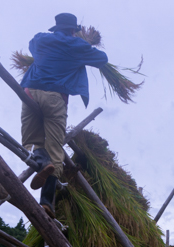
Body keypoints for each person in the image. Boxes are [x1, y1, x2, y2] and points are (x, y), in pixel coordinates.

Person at [19, 13, 108, 217]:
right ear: (72, 30)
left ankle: (41, 161)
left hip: (30, 92)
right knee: (55, 147)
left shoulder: (40, 39)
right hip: (55, 97)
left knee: (32, 138)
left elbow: (32, 44)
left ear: (55, 27)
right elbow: (102, 59)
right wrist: (80, 43)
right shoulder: (77, 46)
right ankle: (46, 201)